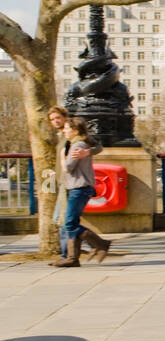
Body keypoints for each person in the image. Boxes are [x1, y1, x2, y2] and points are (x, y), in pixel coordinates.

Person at [46, 105, 108, 260]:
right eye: (52, 119)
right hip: (64, 181)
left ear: (65, 118)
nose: (55, 121)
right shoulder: (62, 137)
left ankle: (70, 254)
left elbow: (97, 146)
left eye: (58, 118)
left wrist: (88, 152)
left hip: (75, 182)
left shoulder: (77, 137)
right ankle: (71, 254)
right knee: (65, 220)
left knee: (66, 221)